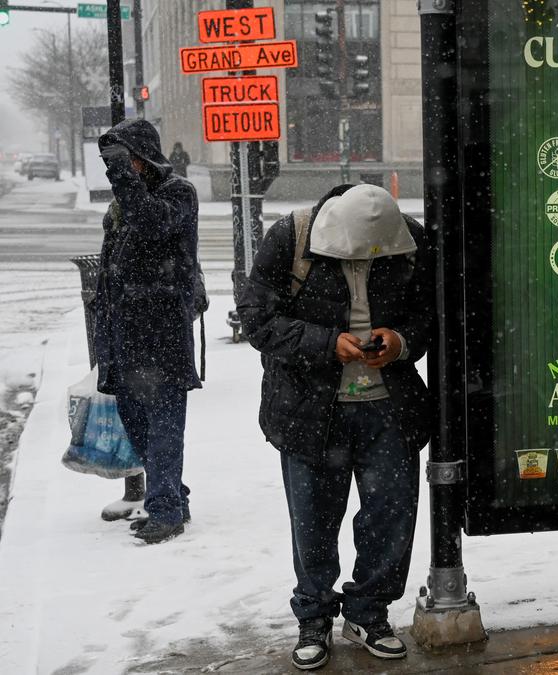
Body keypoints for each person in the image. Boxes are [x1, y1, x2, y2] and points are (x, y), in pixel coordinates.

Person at [237, 183, 433, 671]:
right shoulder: (292, 237)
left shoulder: (410, 241)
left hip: (390, 408)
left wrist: (402, 341)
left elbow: (435, 313)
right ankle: (314, 614)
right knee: (313, 522)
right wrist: (326, 344)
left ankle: (369, 611)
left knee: (391, 516)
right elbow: (256, 317)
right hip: (309, 410)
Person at [94, 119, 200, 545]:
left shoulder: (177, 193)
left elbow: (151, 224)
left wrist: (123, 178)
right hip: (123, 334)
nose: (122, 168)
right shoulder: (121, 203)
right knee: (137, 427)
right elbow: (111, 268)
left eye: (128, 158)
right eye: (117, 162)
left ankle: (166, 509)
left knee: (163, 429)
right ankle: (174, 496)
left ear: (145, 156)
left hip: (162, 334)